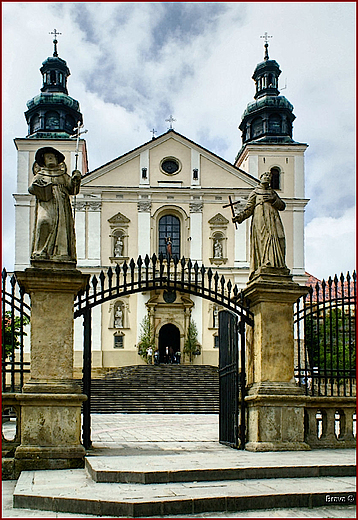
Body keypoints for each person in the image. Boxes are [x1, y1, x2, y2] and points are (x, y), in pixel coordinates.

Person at [29, 147, 81, 262]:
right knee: (43, 222)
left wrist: (76, 179)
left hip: (62, 205)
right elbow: (31, 188)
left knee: (62, 228)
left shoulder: (62, 175)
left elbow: (73, 189)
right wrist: (39, 187)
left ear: (58, 160)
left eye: (53, 157)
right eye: (48, 157)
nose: (51, 159)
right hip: (47, 204)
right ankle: (40, 251)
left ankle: (61, 253)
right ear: (44, 160)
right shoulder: (41, 174)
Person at [232, 171, 287, 278]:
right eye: (265, 175)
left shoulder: (273, 193)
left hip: (273, 219)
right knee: (263, 240)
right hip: (260, 219)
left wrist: (274, 200)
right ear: (260, 178)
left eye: (269, 176)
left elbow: (282, 206)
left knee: (277, 238)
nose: (267, 177)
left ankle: (277, 264)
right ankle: (265, 262)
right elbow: (248, 209)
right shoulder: (255, 193)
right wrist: (240, 217)